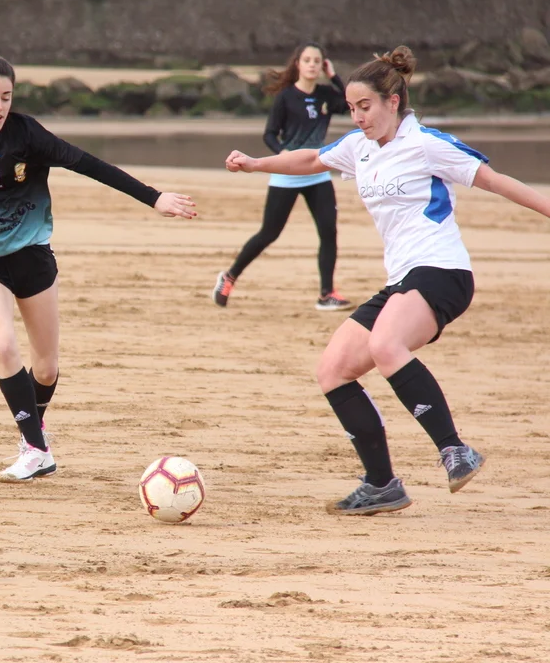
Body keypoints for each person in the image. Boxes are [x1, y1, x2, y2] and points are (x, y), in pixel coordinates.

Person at [225, 45, 550, 515]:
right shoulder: (359, 148)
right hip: (402, 279)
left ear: (392, 102)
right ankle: (382, 484)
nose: (358, 116)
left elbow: (497, 181)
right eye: (351, 107)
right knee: (333, 370)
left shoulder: (427, 144)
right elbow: (312, 159)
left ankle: (455, 449)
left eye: (366, 106)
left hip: (442, 270)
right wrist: (257, 164)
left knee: (385, 345)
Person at [0, 52, 197, 484]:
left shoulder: (26, 134)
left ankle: (34, 435)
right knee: (3, 345)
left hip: (33, 257)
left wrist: (154, 197)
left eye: (6, 97)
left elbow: (88, 164)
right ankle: (36, 449)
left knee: (46, 368)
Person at [212, 43, 352, 311]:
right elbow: (269, 134)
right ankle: (229, 277)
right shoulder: (286, 97)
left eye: (317, 61)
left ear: (323, 65)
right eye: (307, 60)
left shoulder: (326, 95)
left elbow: (350, 102)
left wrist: (333, 76)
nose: (312, 65)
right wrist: (282, 153)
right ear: (297, 64)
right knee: (269, 233)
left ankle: (326, 295)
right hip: (287, 172)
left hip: (316, 171)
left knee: (328, 231)